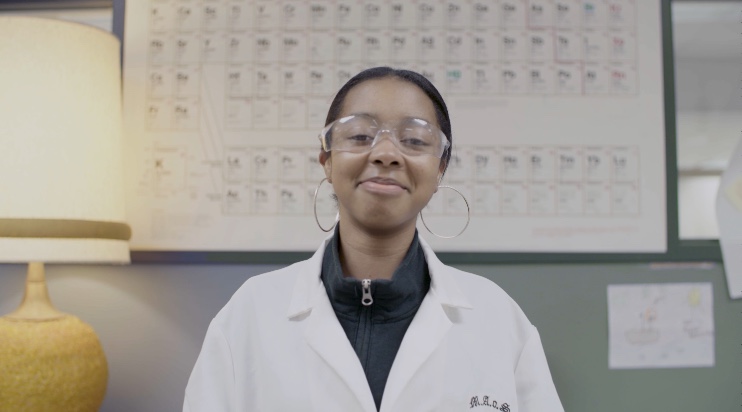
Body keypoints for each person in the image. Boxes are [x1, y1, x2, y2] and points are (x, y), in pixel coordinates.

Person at [184, 67, 564, 412]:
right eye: (361, 135)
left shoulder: (498, 319)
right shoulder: (250, 314)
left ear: (440, 169)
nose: (386, 153)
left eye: (414, 140)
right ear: (327, 161)